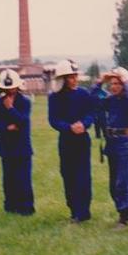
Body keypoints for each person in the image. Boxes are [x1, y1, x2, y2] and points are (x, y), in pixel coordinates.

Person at [48, 59, 94, 223]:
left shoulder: (83, 94)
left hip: (82, 140)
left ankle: (84, 212)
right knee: (68, 175)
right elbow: (53, 120)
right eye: (71, 77)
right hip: (66, 141)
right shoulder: (55, 97)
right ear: (63, 79)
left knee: (83, 176)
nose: (75, 80)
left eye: (75, 76)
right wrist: (69, 127)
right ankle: (74, 210)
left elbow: (91, 113)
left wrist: (84, 124)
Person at [98, 66, 128, 228]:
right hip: (112, 142)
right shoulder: (111, 100)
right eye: (112, 83)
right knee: (113, 184)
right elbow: (93, 99)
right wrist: (100, 82)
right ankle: (126, 209)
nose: (114, 86)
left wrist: (125, 80)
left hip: (124, 142)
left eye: (118, 83)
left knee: (123, 182)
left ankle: (125, 216)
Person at [0, 69, 35, 216]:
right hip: (6, 147)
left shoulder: (25, 102)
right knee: (9, 179)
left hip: (22, 147)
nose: (10, 91)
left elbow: (23, 122)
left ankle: (26, 208)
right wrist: (6, 128)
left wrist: (10, 109)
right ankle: (10, 206)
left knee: (23, 179)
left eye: (12, 87)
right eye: (7, 88)